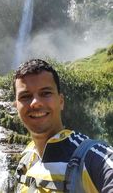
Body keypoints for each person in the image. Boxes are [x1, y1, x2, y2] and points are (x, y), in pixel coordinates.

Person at [13, 58, 113, 192]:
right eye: (25, 96)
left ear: (61, 101)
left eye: (45, 93)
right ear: (16, 106)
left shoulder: (94, 156)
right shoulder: (26, 160)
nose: (35, 102)